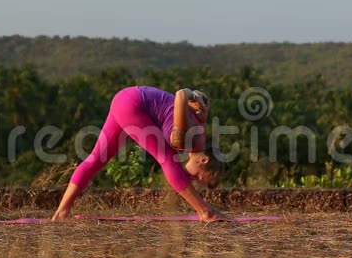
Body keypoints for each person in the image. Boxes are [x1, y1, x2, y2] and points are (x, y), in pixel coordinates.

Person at [51, 86, 227, 222]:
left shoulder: (198, 134)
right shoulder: (186, 140)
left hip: (125, 98)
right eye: (198, 177)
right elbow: (181, 94)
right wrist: (191, 94)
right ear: (204, 160)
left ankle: (62, 212)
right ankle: (205, 212)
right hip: (133, 104)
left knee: (97, 158)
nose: (192, 179)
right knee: (166, 159)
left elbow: (199, 100)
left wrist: (198, 98)